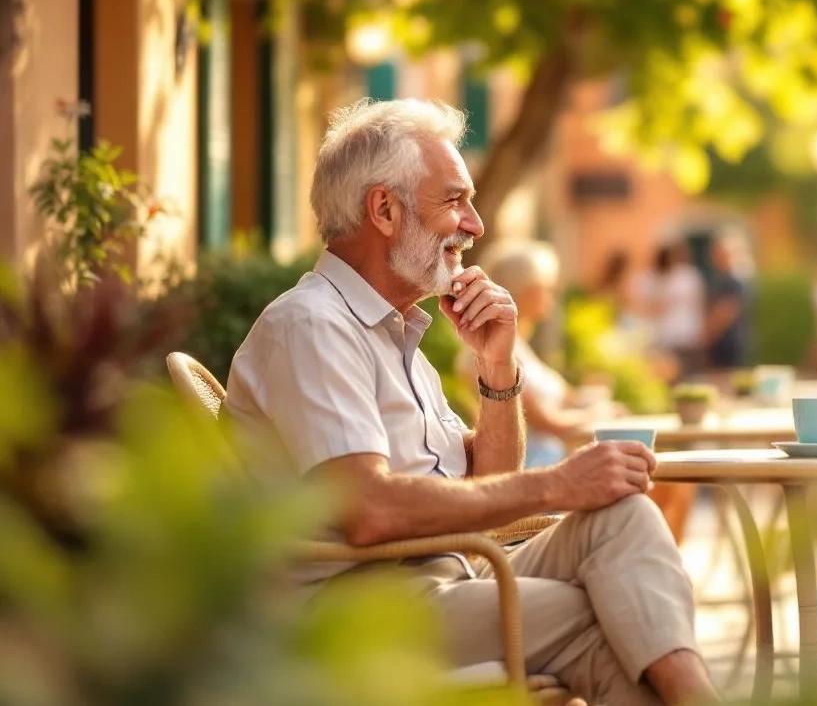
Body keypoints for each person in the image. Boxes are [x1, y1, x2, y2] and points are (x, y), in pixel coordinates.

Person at [224, 99, 715, 706]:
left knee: (625, 519)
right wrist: (559, 485)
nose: (475, 225)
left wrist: (496, 366)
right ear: (384, 209)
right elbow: (370, 510)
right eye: (455, 200)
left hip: (453, 575)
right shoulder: (312, 327)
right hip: (358, 618)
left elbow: (491, 483)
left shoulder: (396, 334)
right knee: (597, 618)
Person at [456, 240, 622, 470]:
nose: (551, 295)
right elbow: (547, 423)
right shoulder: (495, 353)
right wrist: (599, 412)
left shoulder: (521, 347)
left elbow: (566, 397)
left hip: (554, 458)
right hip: (534, 467)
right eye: (545, 287)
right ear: (521, 289)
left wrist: (594, 399)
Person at [646, 241, 706, 380]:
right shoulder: (657, 278)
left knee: (688, 375)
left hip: (685, 336)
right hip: (667, 337)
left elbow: (697, 304)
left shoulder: (687, 277)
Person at [704, 232, 754, 371]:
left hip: (729, 343)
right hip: (727, 342)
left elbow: (726, 313)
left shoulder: (733, 280)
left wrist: (706, 336)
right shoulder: (725, 278)